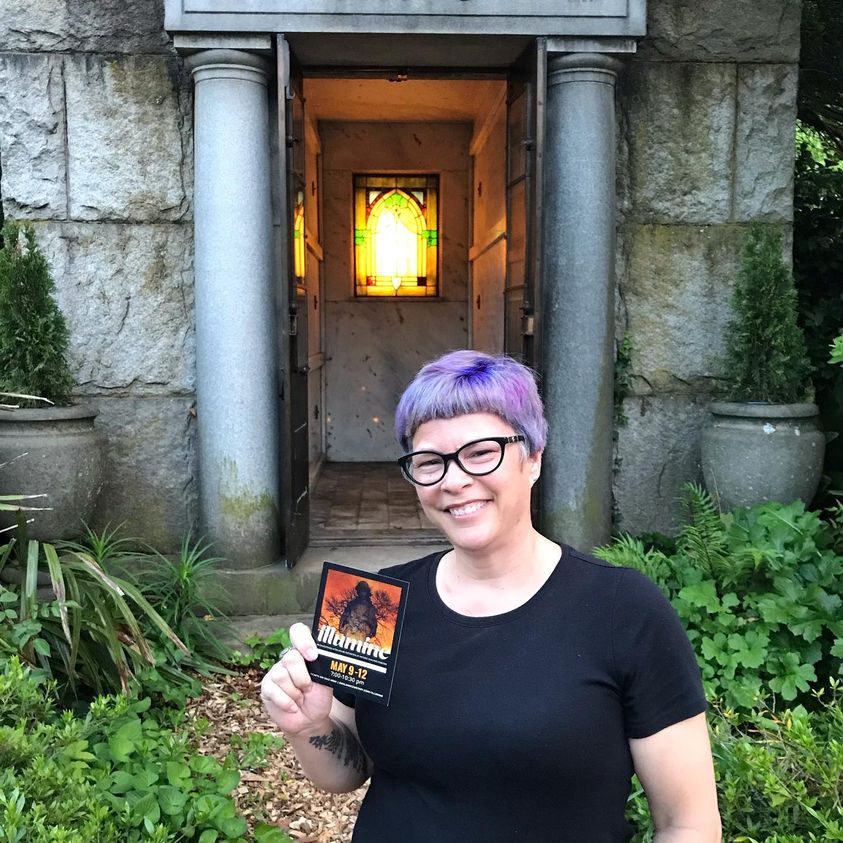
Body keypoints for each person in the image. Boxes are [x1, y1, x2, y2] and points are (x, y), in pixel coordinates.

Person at [261, 350, 721, 842]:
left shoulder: (623, 609)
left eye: (481, 452)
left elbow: (687, 823)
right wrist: (308, 725)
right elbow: (347, 772)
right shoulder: (377, 600)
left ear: (535, 457)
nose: (454, 481)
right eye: (430, 462)